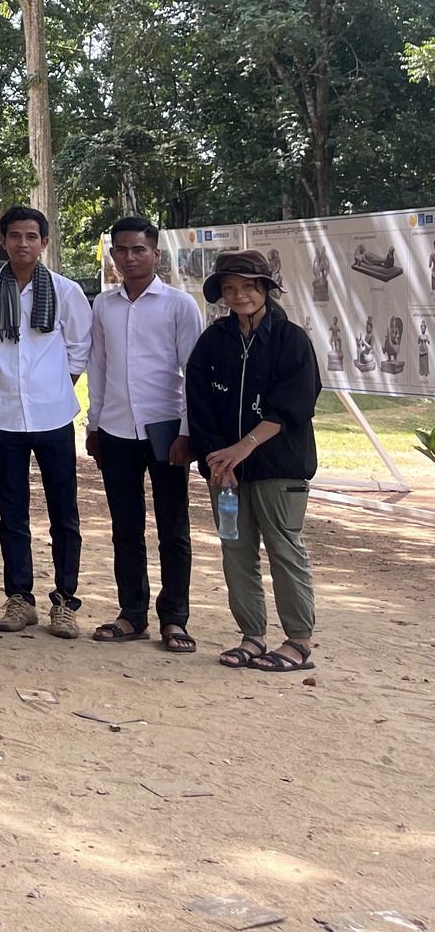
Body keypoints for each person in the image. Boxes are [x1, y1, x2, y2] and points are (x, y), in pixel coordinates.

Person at [187, 249, 323, 673]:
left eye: (247, 286)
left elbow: (294, 406)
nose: (239, 295)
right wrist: (216, 460)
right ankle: (252, 635)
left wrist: (244, 446)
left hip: (279, 467)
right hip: (225, 470)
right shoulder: (214, 340)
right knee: (236, 550)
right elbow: (199, 403)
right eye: (229, 288)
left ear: (265, 288)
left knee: (285, 548)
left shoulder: (291, 339)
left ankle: (298, 641)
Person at [0, 205, 94, 638]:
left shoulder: (65, 290)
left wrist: (59, 385)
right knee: (12, 514)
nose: (23, 243)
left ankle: (65, 601)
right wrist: (6, 385)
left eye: (32, 236)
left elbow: (79, 346)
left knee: (64, 513)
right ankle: (19, 598)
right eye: (15, 235)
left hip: (54, 414)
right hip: (4, 416)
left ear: (44, 242)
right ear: (2, 241)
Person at [86, 216, 204, 653]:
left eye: (139, 249)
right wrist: (94, 424)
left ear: (156, 253)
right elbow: (98, 368)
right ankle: (131, 614)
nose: (130, 257)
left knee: (173, 528)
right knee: (125, 527)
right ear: (112, 254)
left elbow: (193, 373)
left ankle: (174, 618)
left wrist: (189, 433)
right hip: (115, 429)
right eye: (121, 249)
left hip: (166, 429)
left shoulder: (179, 305)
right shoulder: (103, 305)